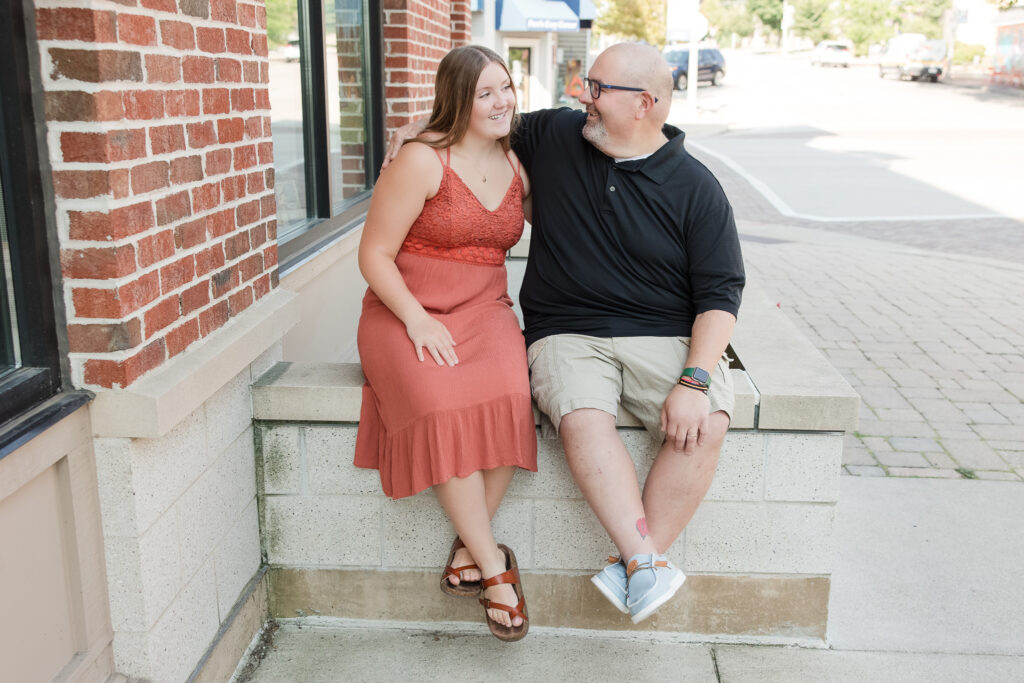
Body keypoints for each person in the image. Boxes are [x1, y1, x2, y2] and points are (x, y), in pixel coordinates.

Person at [385, 42, 744, 625]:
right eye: (586, 84)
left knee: (705, 426)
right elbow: (477, 111)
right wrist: (412, 127)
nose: (584, 97)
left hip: (664, 334)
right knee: (580, 416)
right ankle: (644, 564)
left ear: (645, 104)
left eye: (598, 89)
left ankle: (636, 564)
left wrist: (696, 379)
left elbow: (721, 295)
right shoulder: (557, 135)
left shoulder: (697, 188)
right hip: (568, 331)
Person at [354, 45, 536, 642]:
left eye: (506, 88)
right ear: (457, 98)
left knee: (513, 399)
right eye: (485, 93)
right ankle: (495, 572)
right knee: (439, 406)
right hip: (405, 308)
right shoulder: (424, 160)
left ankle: (467, 551)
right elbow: (374, 254)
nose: (501, 101)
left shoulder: (518, 163)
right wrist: (415, 319)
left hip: (485, 309)